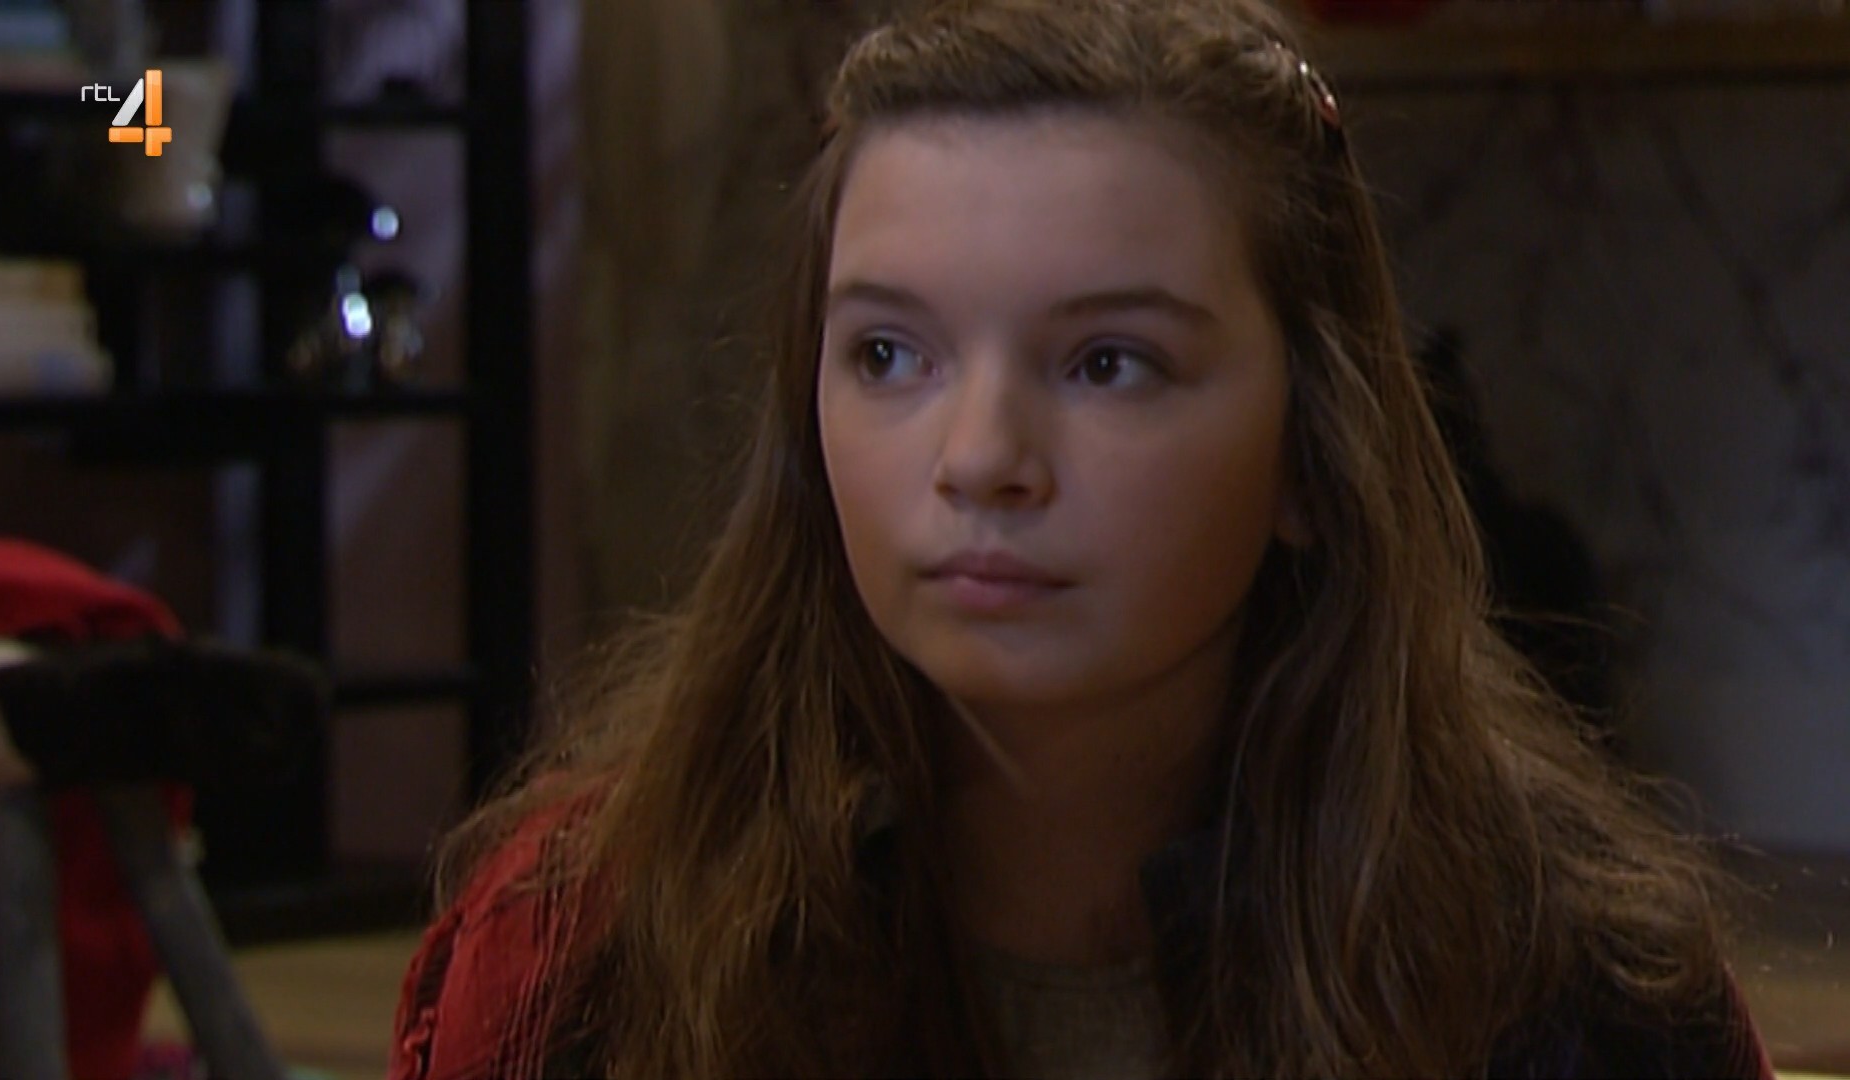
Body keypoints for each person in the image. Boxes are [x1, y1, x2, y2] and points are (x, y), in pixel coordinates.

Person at [387, 1, 1772, 1076]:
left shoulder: (1571, 991)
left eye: (1110, 363)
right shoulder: (580, 953)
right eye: (888, 353)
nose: (981, 457)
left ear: (1312, 446)